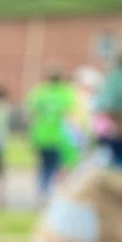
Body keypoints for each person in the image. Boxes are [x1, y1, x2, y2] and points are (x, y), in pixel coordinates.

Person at [27, 67, 78, 199]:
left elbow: (31, 114)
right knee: (57, 164)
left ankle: (42, 188)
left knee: (44, 164)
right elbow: (70, 115)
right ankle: (51, 191)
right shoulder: (66, 92)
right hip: (58, 136)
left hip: (41, 135)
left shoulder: (39, 91)